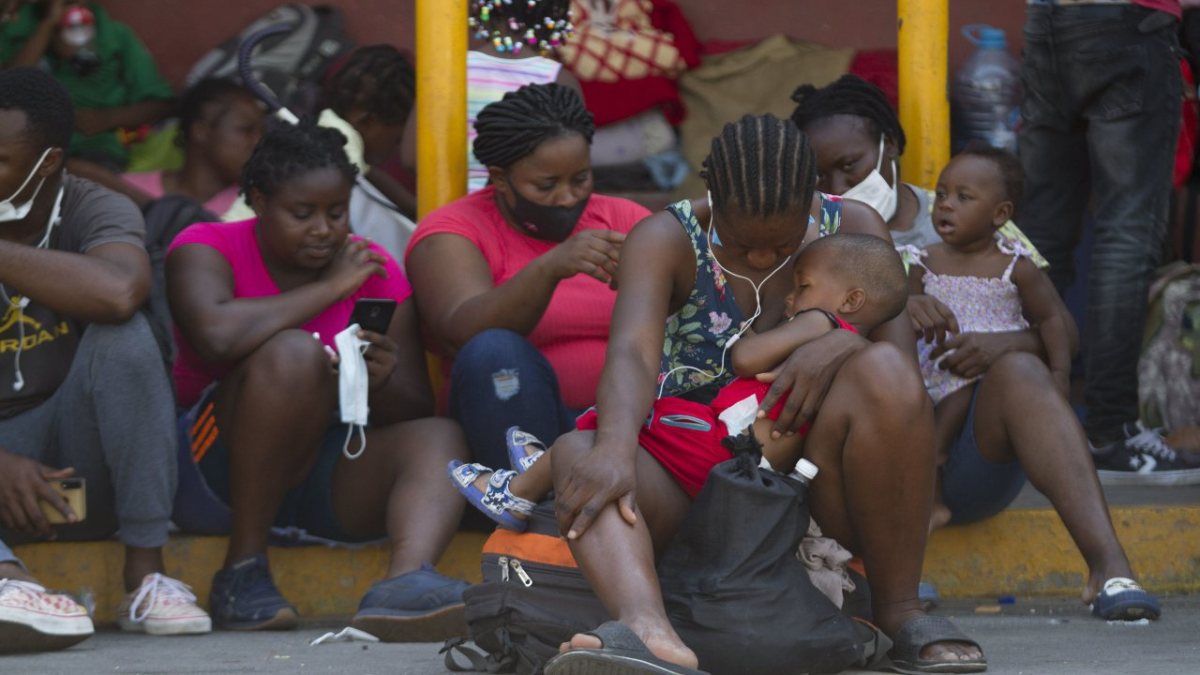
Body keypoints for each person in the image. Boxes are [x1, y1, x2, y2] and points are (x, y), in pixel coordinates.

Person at [542, 114, 986, 675]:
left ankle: (901, 610)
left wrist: (840, 345)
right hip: (692, 472)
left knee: (887, 375)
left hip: (809, 473)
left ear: (811, 201)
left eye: (780, 244)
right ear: (712, 199)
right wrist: (612, 447)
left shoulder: (853, 224)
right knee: (581, 451)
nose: (760, 259)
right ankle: (648, 633)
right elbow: (631, 353)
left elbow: (897, 361)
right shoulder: (666, 237)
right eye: (741, 241)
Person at [166, 118, 470, 639]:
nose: (324, 229)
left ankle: (404, 585)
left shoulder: (374, 270)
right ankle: (242, 571)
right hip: (213, 468)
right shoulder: (204, 246)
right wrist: (332, 288)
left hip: (325, 463)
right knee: (292, 354)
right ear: (258, 201)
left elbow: (416, 405)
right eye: (301, 213)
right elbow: (214, 337)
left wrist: (382, 378)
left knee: (441, 435)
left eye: (336, 212)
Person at [449, 233, 908, 530]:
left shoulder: (820, 324)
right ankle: (541, 469)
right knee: (626, 418)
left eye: (802, 286)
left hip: (723, 447)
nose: (790, 297)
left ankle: (516, 494)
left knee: (627, 416)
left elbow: (745, 359)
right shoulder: (854, 356)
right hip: (743, 458)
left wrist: (762, 328)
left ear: (850, 300)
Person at [0, 67, 209, 652]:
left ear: (46, 164)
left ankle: (146, 576)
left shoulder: (94, 206)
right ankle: (6, 582)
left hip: (72, 455)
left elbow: (119, 292)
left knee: (125, 335)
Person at [905, 146, 1159, 621]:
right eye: (942, 195)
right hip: (908, 420)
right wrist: (900, 308)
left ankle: (1110, 568)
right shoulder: (887, 245)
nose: (945, 205)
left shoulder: (1010, 256)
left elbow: (1056, 324)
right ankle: (896, 570)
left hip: (979, 438)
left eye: (961, 197)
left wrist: (1024, 356)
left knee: (1020, 368)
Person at [405, 83, 650, 476]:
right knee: (494, 351)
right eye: (546, 185)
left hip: (621, 432)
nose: (568, 198)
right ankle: (530, 508)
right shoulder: (454, 231)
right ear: (500, 178)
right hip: (508, 435)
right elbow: (459, 331)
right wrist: (550, 267)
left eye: (581, 179)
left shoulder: (624, 218)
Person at [1018, 0, 1199, 483]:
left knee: (1042, 233)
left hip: (1047, 22)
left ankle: (1021, 420)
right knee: (1127, 236)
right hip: (1130, 22)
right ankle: (1109, 433)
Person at [400, 0, 582, 193]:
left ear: (481, 10)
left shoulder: (447, 72)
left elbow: (412, 158)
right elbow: (575, 169)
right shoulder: (559, 79)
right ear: (558, 14)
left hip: (452, 211)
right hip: (525, 214)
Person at [0, 1, 174, 170]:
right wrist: (47, 26)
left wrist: (107, 118)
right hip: (26, 149)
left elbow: (163, 105)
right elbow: (6, 88)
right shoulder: (13, 27)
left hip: (95, 151)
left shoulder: (115, 36)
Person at [66, 78, 265, 218]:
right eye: (246, 130)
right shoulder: (126, 188)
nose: (258, 142)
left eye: (260, 132)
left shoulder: (255, 209)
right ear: (201, 131)